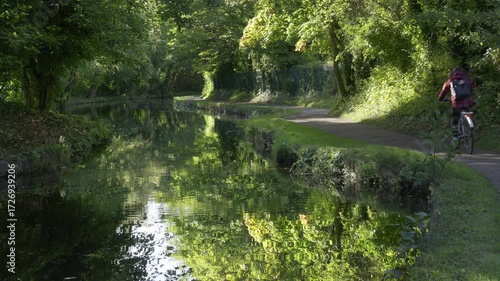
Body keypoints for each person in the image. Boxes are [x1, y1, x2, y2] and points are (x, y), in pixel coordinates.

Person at [438, 67, 474, 138]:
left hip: (456, 104)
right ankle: (470, 128)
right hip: (467, 102)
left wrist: (440, 99)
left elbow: (444, 91)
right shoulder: (467, 80)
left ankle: (455, 138)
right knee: (467, 113)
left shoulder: (451, 80)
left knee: (455, 120)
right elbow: (470, 90)